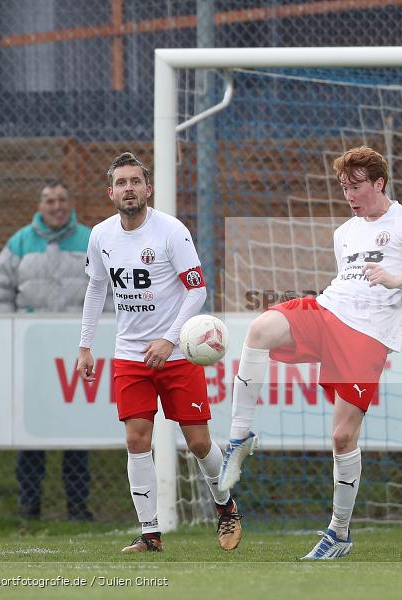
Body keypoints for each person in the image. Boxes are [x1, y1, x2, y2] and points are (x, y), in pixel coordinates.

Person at [218, 146, 402, 560]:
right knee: (259, 328)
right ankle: (239, 436)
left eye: (357, 186)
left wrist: (395, 279)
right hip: (328, 310)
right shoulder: (344, 232)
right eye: (344, 187)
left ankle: (339, 533)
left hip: (367, 336)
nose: (350, 195)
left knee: (342, 437)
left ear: (379, 183)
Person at [76, 152, 242, 553]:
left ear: (148, 189)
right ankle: (150, 535)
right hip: (131, 355)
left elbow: (197, 289)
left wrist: (169, 340)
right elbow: (97, 289)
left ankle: (226, 507)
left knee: (199, 442)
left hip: (178, 354)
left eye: (135, 181)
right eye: (121, 183)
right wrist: (85, 345)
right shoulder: (100, 235)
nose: (128, 188)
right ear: (110, 191)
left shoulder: (171, 231)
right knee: (137, 438)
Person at [0, 181, 95, 522]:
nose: (56, 206)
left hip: (75, 354)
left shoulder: (91, 240)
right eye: (50, 201)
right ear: (40, 205)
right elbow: (1, 291)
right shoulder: (19, 243)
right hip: (32, 354)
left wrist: (101, 334)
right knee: (31, 429)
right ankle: (29, 506)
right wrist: (9, 333)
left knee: (77, 429)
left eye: (62, 200)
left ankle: (78, 507)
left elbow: (108, 290)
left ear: (70, 203)